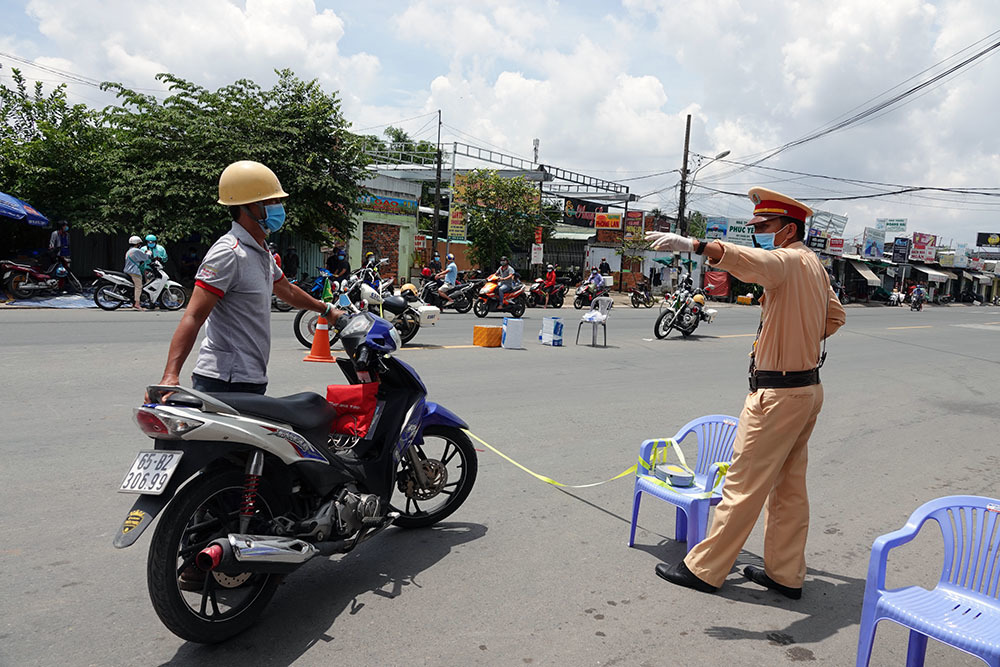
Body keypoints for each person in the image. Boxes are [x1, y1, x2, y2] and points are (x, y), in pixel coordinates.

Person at [646, 187, 846, 600]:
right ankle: (786, 574)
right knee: (789, 487)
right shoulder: (815, 265)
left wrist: (698, 245)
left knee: (742, 483)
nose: (762, 235)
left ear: (789, 229)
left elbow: (757, 263)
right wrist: (800, 334)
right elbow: (836, 315)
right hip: (807, 388)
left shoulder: (788, 259)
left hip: (777, 395)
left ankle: (705, 569)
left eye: (767, 227)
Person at [152, 160, 344, 396]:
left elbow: (287, 290)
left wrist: (326, 310)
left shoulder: (260, 251)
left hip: (251, 378)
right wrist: (170, 375)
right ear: (250, 207)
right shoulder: (228, 253)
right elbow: (194, 315)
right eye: (272, 201)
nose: (279, 208)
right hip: (224, 381)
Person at [124, 235, 149, 311]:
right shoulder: (136, 250)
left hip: (128, 270)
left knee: (133, 286)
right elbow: (145, 257)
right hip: (134, 271)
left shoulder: (130, 251)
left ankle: (133, 301)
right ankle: (137, 304)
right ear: (137, 243)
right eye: (139, 243)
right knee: (139, 286)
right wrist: (149, 253)